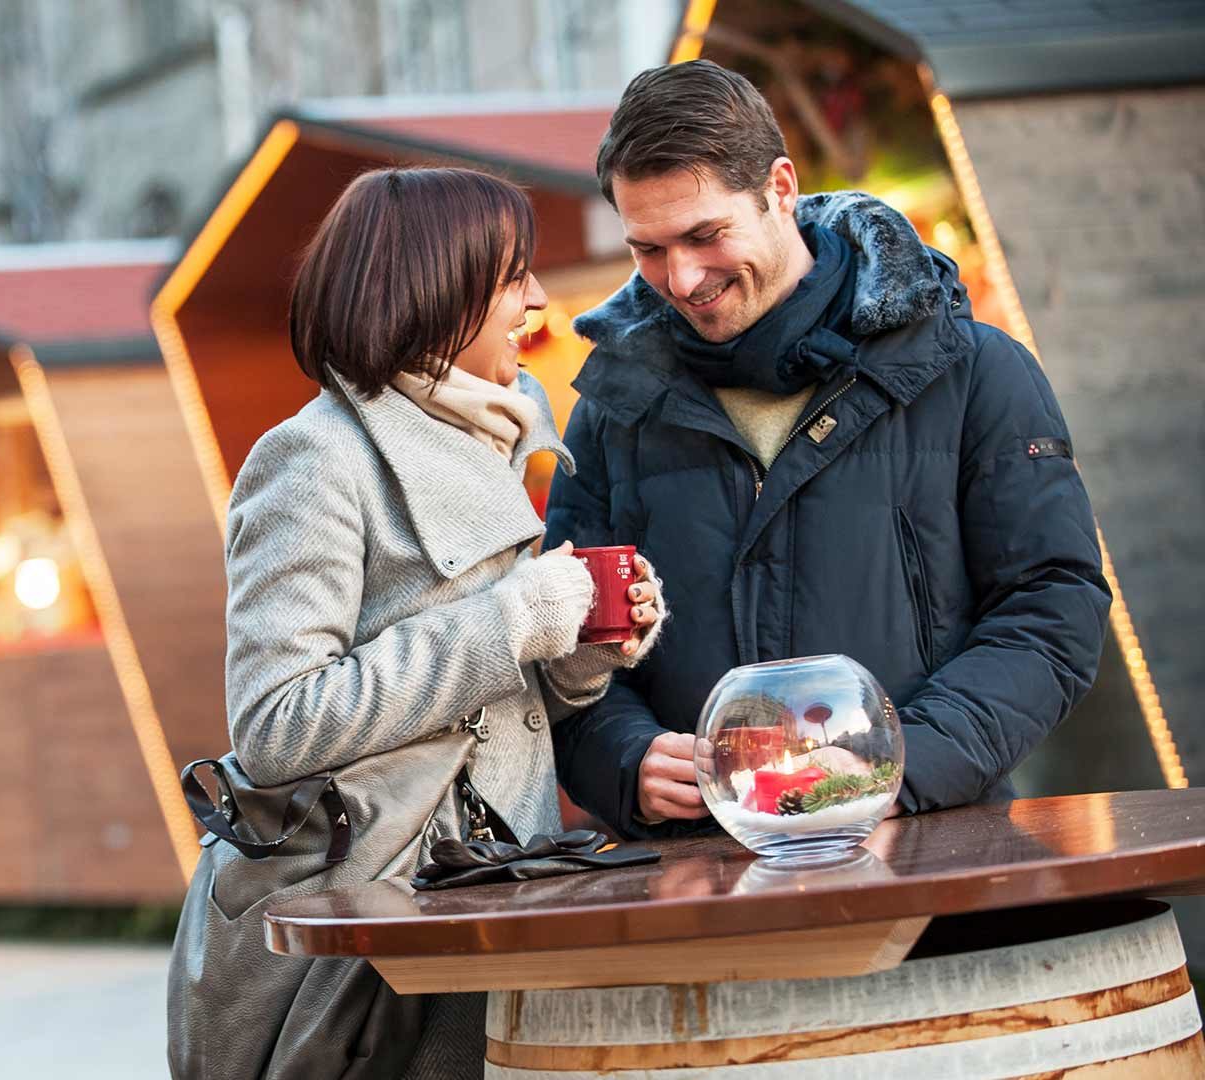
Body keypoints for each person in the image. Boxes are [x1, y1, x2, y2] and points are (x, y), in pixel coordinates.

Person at [543, 60, 1109, 836]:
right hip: (695, 888)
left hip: (926, 856)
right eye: (648, 249)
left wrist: (898, 765)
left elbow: (1051, 611)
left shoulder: (974, 372)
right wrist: (628, 759)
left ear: (780, 187)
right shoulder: (612, 412)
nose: (680, 278)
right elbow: (571, 651)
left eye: (705, 235)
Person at [216, 167, 665, 1077]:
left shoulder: (487, 434)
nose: (536, 298)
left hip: (494, 902)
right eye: (512, 278)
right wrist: (509, 622)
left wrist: (578, 656)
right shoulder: (314, 459)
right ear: (435, 288)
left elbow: (501, 715)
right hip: (390, 924)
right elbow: (273, 725)